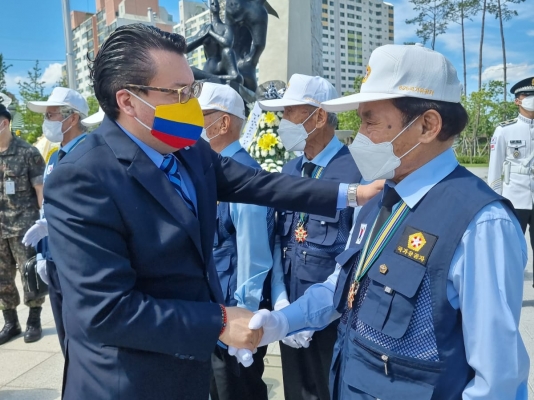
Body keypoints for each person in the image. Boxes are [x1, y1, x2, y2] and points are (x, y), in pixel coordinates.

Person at [43, 24, 382, 400]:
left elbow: (260, 185)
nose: (190, 103)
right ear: (128, 101)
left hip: (188, 367)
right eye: (178, 93)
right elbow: (106, 312)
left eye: (193, 89)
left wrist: (354, 193)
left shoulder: (188, 151)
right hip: (127, 379)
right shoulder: (84, 177)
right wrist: (219, 321)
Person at [245, 44, 530, 399]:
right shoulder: (378, 195)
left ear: (427, 125)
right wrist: (282, 321)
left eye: (369, 120)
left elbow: (497, 379)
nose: (360, 135)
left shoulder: (480, 224)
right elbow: (340, 285)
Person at [259, 74, 363, 400]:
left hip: (334, 320)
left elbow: (356, 255)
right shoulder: (289, 171)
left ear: (318, 117)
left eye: (290, 112)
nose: (283, 121)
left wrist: (319, 316)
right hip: (289, 315)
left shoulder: (356, 172)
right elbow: (278, 239)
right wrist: (281, 303)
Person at [199, 82, 272, 400]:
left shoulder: (241, 174)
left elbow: (254, 254)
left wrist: (245, 317)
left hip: (234, 318)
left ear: (223, 123)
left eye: (199, 116)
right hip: (213, 313)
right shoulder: (209, 170)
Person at [22, 87, 89, 354]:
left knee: (84, 336)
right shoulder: (53, 157)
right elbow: (46, 207)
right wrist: (42, 254)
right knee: (65, 336)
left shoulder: (90, 153)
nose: (46, 121)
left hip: (79, 261)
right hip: (54, 259)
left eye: (50, 115)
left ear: (71, 118)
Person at [0, 103, 46, 345]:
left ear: (3, 122)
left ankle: (34, 320)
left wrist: (44, 224)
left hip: (23, 228)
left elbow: (41, 191)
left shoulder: (28, 153)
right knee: (2, 279)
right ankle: (11, 322)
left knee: (30, 276)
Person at [488, 76, 534, 287]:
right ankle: (509, 289)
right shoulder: (505, 130)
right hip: (514, 198)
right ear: (518, 100)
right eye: (529, 95)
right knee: (512, 249)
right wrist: (495, 199)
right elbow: (495, 168)